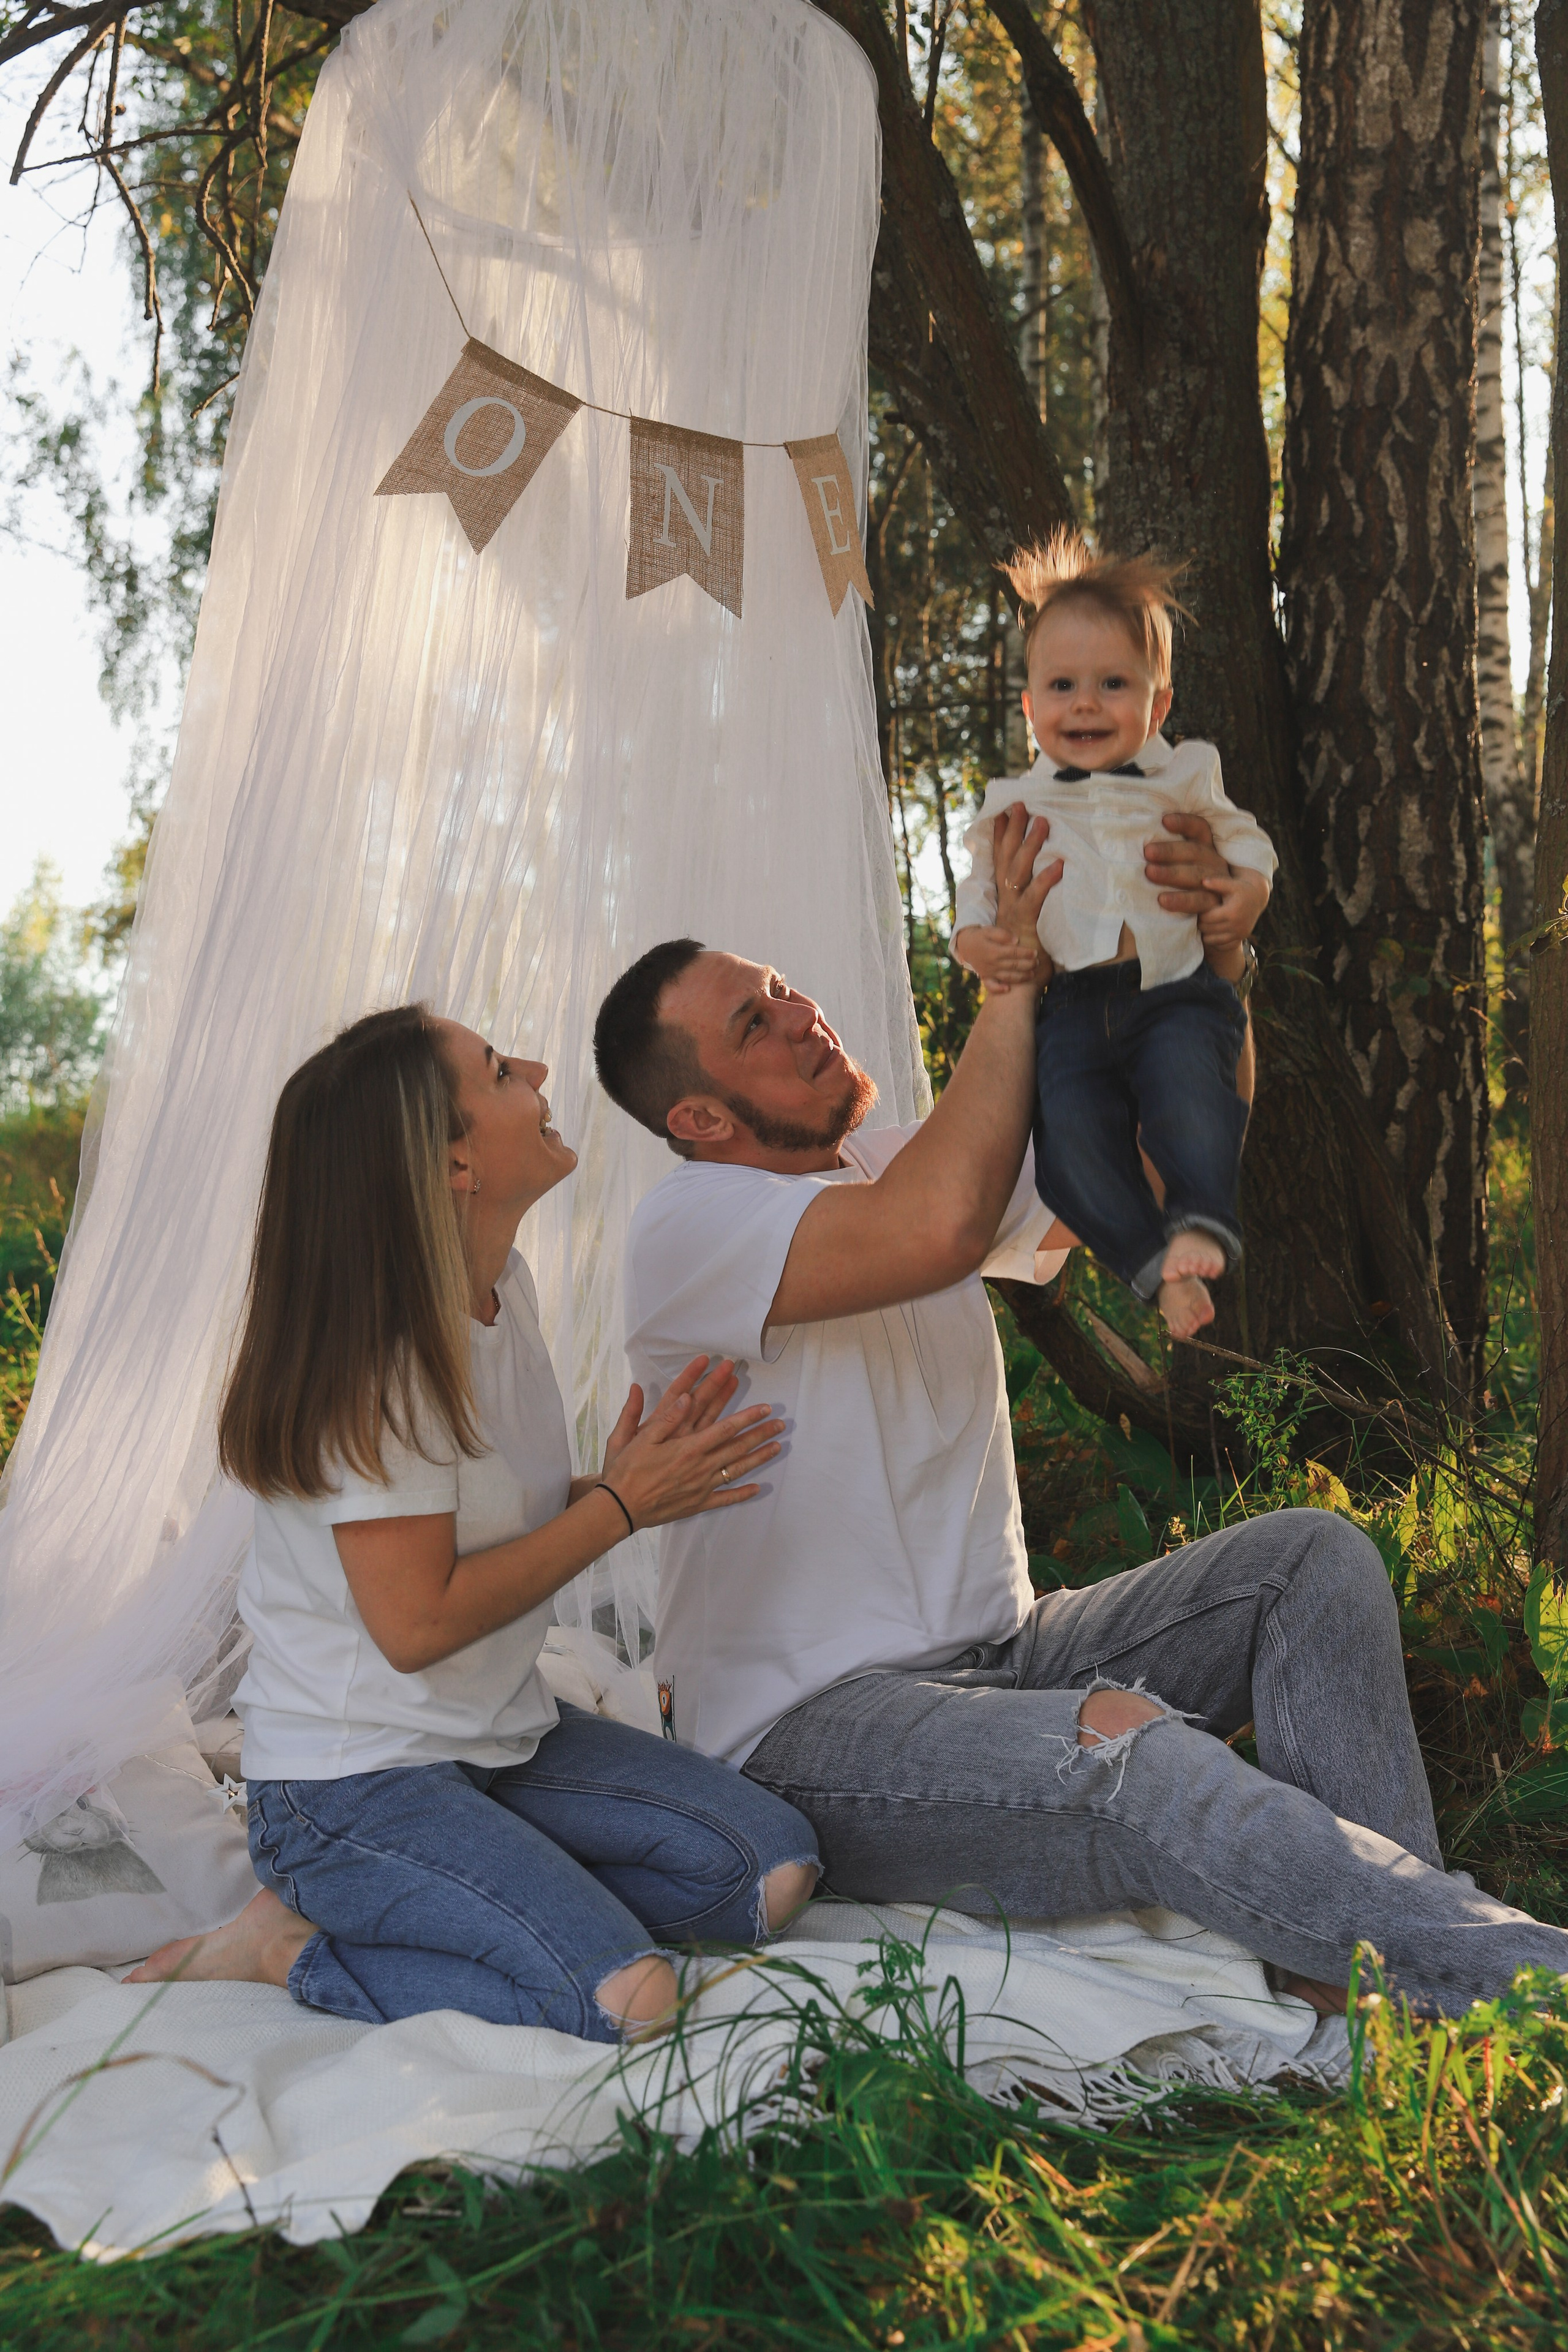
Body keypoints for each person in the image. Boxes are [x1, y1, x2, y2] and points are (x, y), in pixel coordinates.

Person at [591, 815, 1568, 2019]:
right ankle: (1510, 1980)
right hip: (812, 1733)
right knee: (1130, 1758)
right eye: (754, 1025)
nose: (802, 1016)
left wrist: (1211, 969)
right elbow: (934, 1231)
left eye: (786, 993)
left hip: (1002, 1655)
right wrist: (1013, 984)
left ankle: (1354, 1962)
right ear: (697, 1119)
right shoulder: (686, 1232)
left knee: (1306, 1562)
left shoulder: (888, 1168)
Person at [129, 1006, 818, 2042]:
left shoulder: (501, 1292)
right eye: (502, 1071)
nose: (539, 1071)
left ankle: (495, 1892)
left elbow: (488, 1525)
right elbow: (416, 1623)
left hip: (501, 1739)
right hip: (354, 1786)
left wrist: (619, 1485)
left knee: (769, 1873)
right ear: (454, 1164)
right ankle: (286, 1948)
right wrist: (625, 1510)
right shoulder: (379, 1370)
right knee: (629, 2001)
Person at [951, 530, 1276, 1340]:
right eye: (1062, 685)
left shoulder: (1185, 776)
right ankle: (1150, 1267)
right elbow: (978, 892)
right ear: (1029, 708)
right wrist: (975, 944)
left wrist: (1245, 896)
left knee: (1191, 1099)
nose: (1085, 703)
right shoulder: (1012, 805)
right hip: (1070, 1009)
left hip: (1174, 991)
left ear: (1157, 706)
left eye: (1113, 684)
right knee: (1070, 1155)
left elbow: (1247, 846)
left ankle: (1201, 1219)